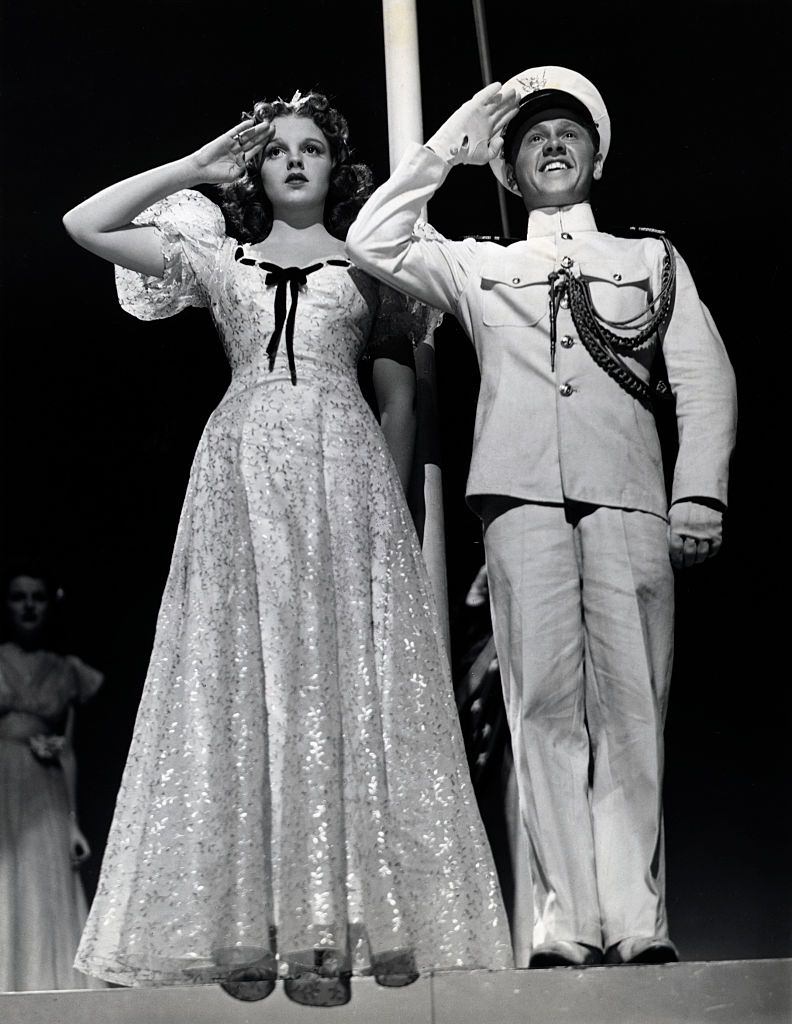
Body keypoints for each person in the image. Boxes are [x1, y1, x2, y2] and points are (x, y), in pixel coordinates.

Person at [63, 90, 511, 1005]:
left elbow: (400, 403)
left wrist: (390, 521)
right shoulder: (218, 259)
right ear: (257, 170)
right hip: (240, 478)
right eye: (279, 151)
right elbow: (85, 222)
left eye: (312, 148)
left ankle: (344, 919)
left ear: (333, 167)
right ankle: (253, 921)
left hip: (343, 476)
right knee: (244, 680)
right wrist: (194, 167)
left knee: (336, 682)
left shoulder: (372, 262)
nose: (296, 161)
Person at [346, 67, 737, 968]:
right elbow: (375, 238)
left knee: (635, 711)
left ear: (598, 156)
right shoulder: (486, 262)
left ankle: (635, 916)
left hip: (629, 496)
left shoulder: (648, 260)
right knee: (542, 713)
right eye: (531, 139)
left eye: (570, 134)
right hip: (520, 501)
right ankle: (566, 919)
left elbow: (706, 379)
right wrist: (456, 137)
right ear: (510, 172)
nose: (554, 145)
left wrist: (700, 492)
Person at [0, 569, 104, 991]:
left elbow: (70, 748)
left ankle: (41, 987)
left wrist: (73, 821)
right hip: (2, 779)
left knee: (41, 884)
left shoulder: (66, 670)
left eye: (37, 597)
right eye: (18, 597)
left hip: (45, 785)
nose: (28, 606)